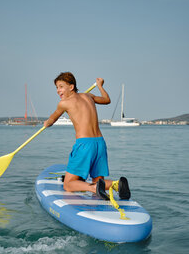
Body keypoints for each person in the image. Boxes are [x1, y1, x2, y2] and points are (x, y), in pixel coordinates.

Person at [44, 72, 130, 200]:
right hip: (100, 143)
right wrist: (100, 86)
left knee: (68, 184)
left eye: (61, 86)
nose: (58, 90)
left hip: (84, 144)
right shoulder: (88, 96)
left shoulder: (64, 103)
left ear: (71, 87)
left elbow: (51, 120)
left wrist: (46, 123)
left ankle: (92, 188)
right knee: (98, 181)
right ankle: (117, 184)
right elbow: (107, 100)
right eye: (57, 87)